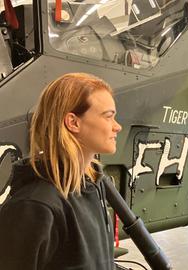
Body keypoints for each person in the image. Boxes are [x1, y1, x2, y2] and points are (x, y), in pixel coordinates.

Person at [0, 73, 122, 269]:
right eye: (108, 116)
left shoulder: (91, 187)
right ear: (73, 122)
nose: (117, 127)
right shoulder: (35, 206)